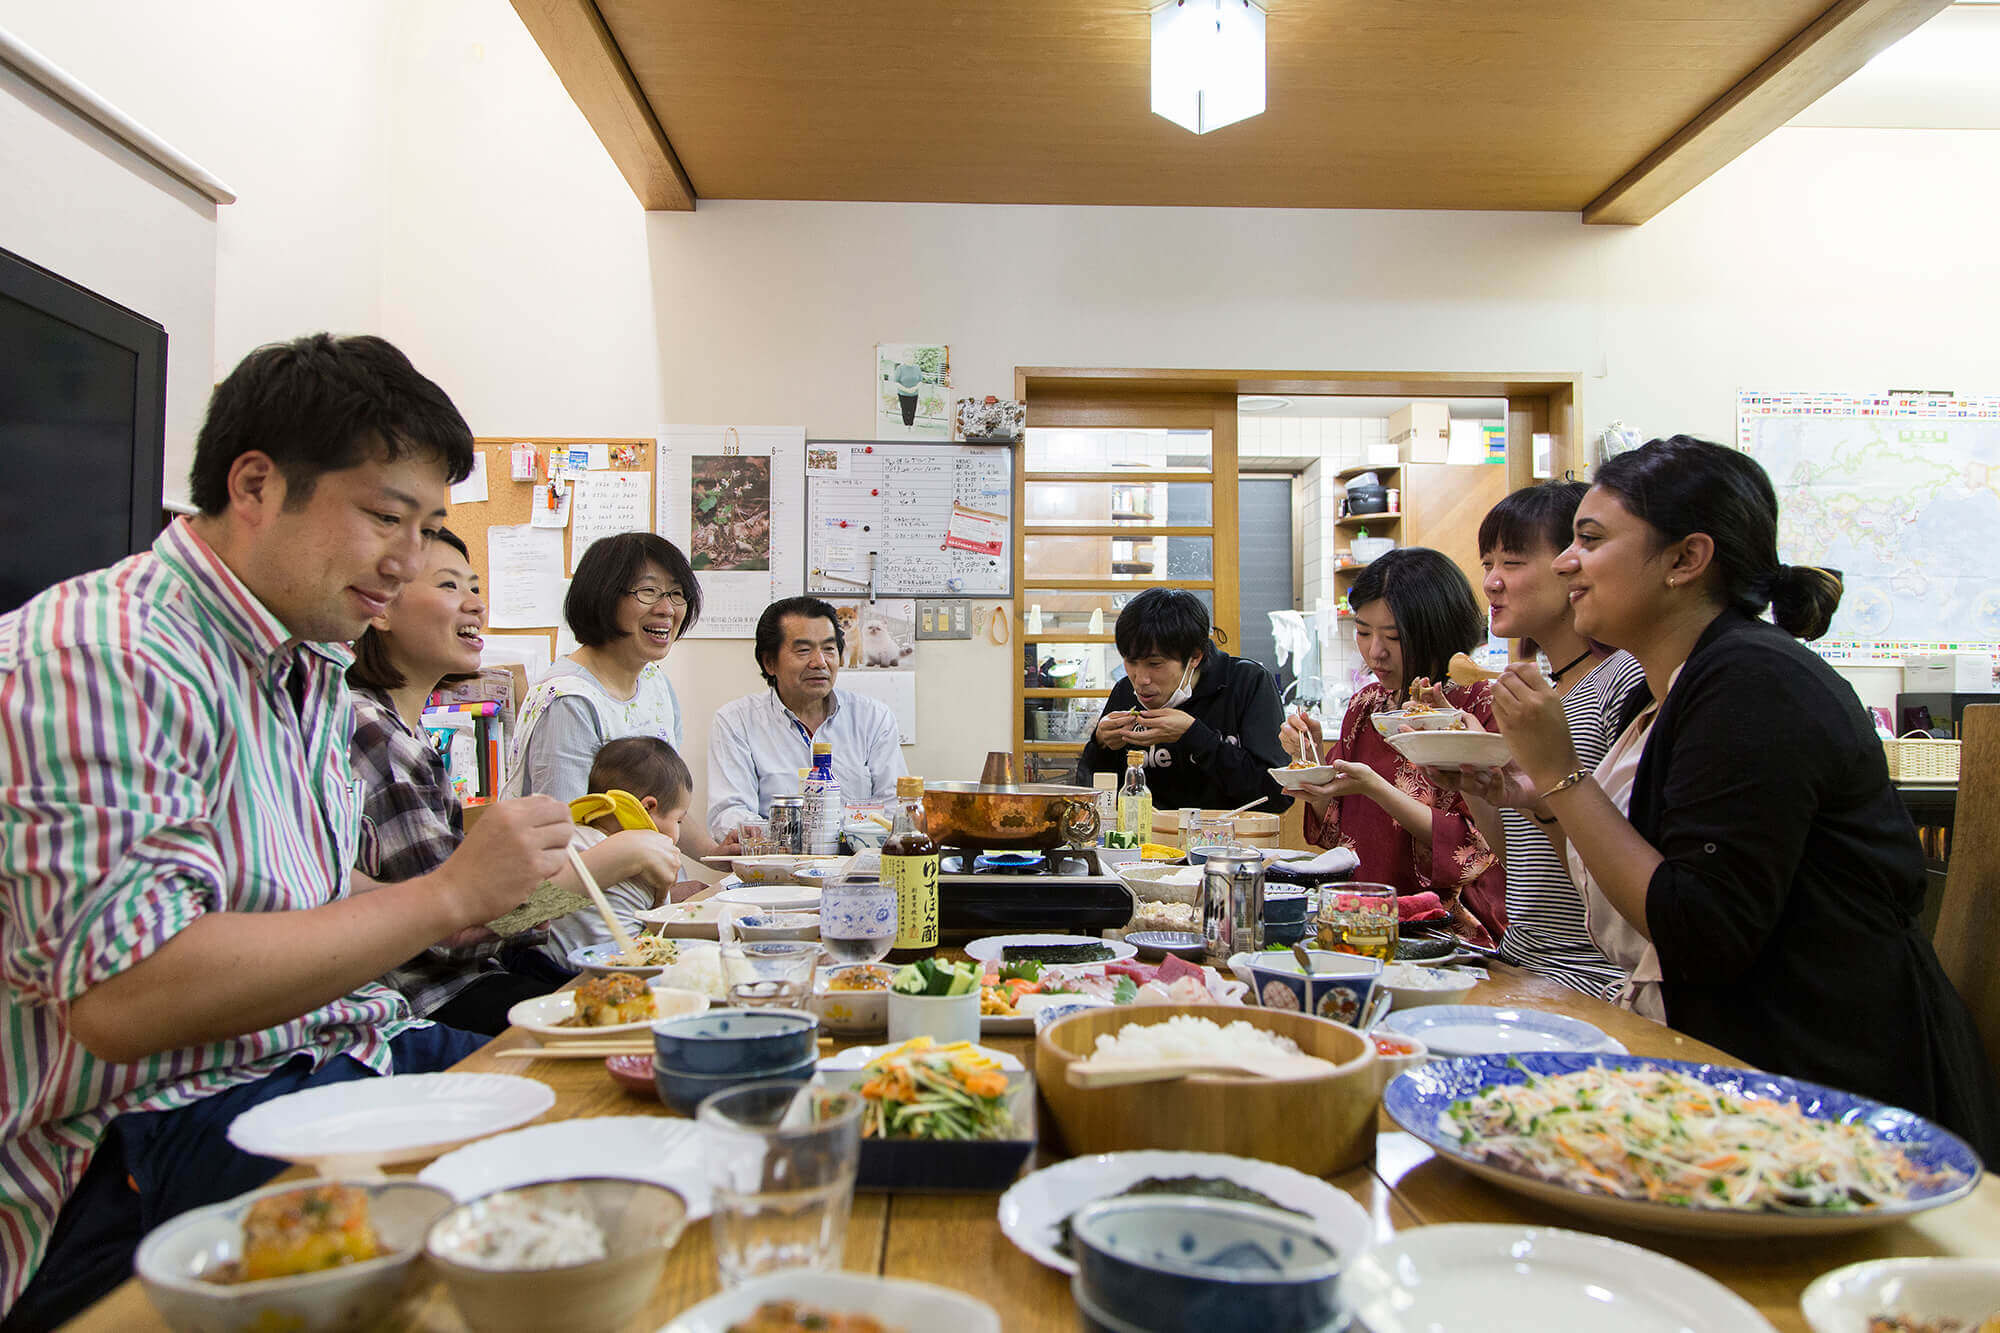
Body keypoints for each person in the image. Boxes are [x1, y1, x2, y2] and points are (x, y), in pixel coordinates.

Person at [0, 334, 577, 1327]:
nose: (409, 562)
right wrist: (446, 893)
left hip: (329, 1069)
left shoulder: (302, 663)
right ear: (257, 483)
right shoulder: (102, 650)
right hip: (143, 1144)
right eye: (386, 517)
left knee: (622, 1125)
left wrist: (483, 893)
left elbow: (304, 894)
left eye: (431, 525)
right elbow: (126, 993)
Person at [1489, 435, 2000, 1160]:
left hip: (1822, 1102)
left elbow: (1700, 929)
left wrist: (1562, 773)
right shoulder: (1660, 687)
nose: (1566, 561)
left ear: (1686, 559)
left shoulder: (1756, 684)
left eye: (1590, 539)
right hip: (1718, 1063)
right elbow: (1634, 864)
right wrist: (1538, 789)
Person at [346, 528, 683, 1033]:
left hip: (475, 976)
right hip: (431, 1002)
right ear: (380, 607)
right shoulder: (374, 732)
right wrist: (620, 855)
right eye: (448, 586)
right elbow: (452, 929)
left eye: (475, 587)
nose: (476, 606)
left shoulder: (406, 731)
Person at [1468, 483, 1647, 996]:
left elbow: (1615, 872)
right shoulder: (1537, 693)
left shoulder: (1623, 682)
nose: (1492, 583)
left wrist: (1545, 784)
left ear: (1573, 563)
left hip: (1595, 974)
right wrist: (1473, 775)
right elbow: (1521, 862)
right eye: (1487, 564)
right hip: (1519, 959)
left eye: (1514, 562)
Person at [1279, 548, 1502, 946]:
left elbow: (1478, 847)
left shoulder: (1482, 705)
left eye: (1394, 637)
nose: (1374, 652)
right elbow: (1336, 839)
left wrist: (1374, 787)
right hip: (1363, 922)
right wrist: (1309, 760)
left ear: (1439, 630)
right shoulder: (1367, 706)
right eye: (1364, 632)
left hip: (1448, 930)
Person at [504, 532, 697, 802]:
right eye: (648, 591)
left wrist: (711, 847)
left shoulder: (655, 683)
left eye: (676, 593)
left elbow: (667, 807)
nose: (666, 608)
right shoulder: (569, 702)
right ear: (603, 596)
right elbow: (565, 832)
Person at [1074, 588, 1292, 817]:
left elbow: (1277, 796)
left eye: (1155, 664)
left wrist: (1194, 735)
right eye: (1131, 662)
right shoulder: (1125, 692)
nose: (1141, 680)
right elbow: (1092, 794)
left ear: (1195, 656)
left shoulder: (1247, 683)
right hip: (1147, 844)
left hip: (1231, 844)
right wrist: (1101, 745)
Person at [707, 596, 906, 840]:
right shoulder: (736, 721)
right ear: (770, 663)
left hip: (856, 864)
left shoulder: (873, 718)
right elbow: (728, 814)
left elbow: (896, 806)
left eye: (829, 649)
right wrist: (792, 835)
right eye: (803, 650)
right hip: (776, 867)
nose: (820, 662)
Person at [541, 736, 694, 962]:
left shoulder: (568, 839)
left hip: (542, 968)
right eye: (679, 821)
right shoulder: (654, 861)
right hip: (618, 968)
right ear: (648, 807)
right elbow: (659, 930)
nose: (677, 832)